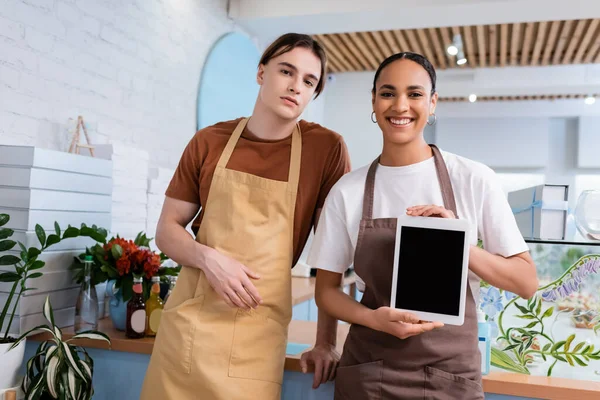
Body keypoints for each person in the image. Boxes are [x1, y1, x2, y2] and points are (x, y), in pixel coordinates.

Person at [307, 52, 539, 399]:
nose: (400, 105)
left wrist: (458, 240)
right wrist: (374, 320)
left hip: (451, 376)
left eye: (414, 94)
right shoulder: (348, 191)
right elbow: (326, 291)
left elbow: (526, 282)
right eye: (387, 93)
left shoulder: (473, 179)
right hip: (369, 372)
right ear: (373, 101)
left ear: (432, 104)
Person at [140, 33, 351, 400]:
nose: (295, 86)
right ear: (260, 73)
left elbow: (332, 253)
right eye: (286, 71)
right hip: (188, 326)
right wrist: (209, 259)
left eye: (308, 81)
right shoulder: (209, 141)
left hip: (258, 336)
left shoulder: (326, 149)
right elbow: (167, 230)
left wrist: (326, 341)